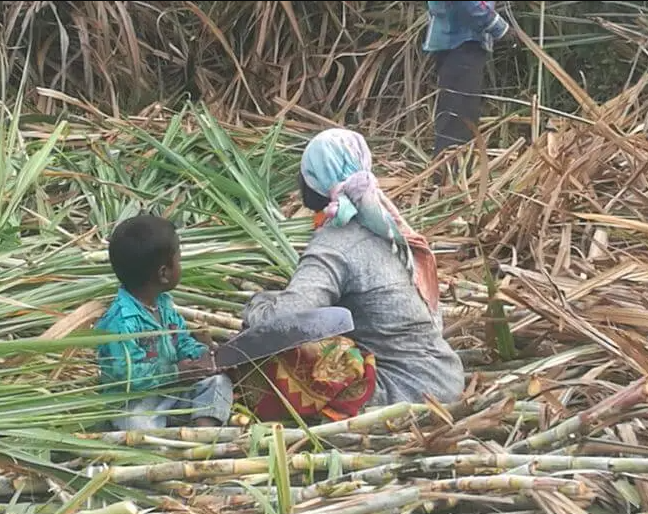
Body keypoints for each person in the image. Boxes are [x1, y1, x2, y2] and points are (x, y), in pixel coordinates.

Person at [241, 129, 464, 408]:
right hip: (446, 376)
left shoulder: (336, 242)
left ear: (315, 181)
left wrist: (256, 306)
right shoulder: (385, 227)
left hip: (406, 388)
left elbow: (284, 321)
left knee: (267, 365)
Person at [96, 215, 233, 430]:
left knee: (218, 383)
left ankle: (204, 430)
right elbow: (127, 376)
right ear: (163, 273)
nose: (180, 265)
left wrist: (204, 356)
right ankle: (165, 439)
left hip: (172, 390)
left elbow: (181, 341)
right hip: (137, 401)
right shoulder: (121, 322)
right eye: (178, 260)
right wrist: (175, 372)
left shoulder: (164, 305)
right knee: (135, 421)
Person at [424, 1, 512, 160]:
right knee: (459, 118)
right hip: (462, 42)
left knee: (458, 114)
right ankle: (450, 170)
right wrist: (501, 29)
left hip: (456, 40)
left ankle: (451, 168)